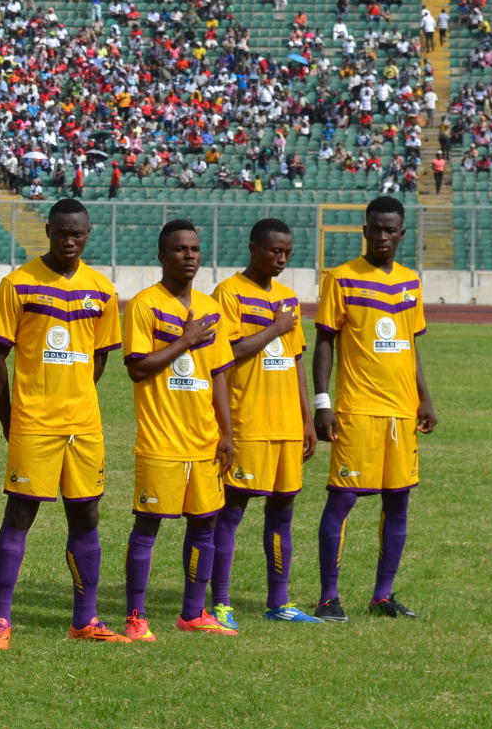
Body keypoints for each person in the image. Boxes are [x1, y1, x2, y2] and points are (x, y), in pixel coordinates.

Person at [0, 199, 127, 646]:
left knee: (87, 517)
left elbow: (99, 357)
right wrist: (11, 418)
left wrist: (76, 392)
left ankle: (86, 619)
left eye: (78, 233)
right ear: (47, 230)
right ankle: (0, 621)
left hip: (84, 425)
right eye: (62, 232)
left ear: (88, 234)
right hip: (34, 423)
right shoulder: (19, 284)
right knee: (20, 515)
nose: (69, 240)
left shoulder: (102, 290)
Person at [312, 196, 437, 621]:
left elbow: (410, 344)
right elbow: (325, 340)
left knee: (398, 500)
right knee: (343, 500)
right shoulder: (342, 278)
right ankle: (329, 597)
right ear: (364, 231)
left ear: (402, 234)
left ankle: (382, 595)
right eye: (375, 228)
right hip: (357, 409)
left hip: (402, 411)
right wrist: (323, 402)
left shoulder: (410, 280)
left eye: (390, 230)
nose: (382, 236)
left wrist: (425, 398)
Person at [121, 220, 237, 640]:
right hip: (160, 440)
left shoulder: (210, 309)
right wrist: (185, 340)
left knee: (204, 525)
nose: (189, 255)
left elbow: (219, 375)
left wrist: (226, 432)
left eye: (194, 249)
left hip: (203, 440)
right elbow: (137, 368)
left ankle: (193, 612)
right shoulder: (144, 305)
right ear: (162, 256)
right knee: (148, 527)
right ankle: (136, 616)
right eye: (179, 249)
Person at [207, 220, 322, 630]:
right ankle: (220, 602)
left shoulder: (289, 298)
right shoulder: (229, 293)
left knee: (283, 512)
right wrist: (274, 328)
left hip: (286, 424)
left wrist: (306, 420)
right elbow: (226, 354)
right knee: (232, 511)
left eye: (288, 253)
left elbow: (294, 360)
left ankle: (279, 602)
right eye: (275, 252)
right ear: (254, 248)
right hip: (247, 421)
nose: (282, 259)